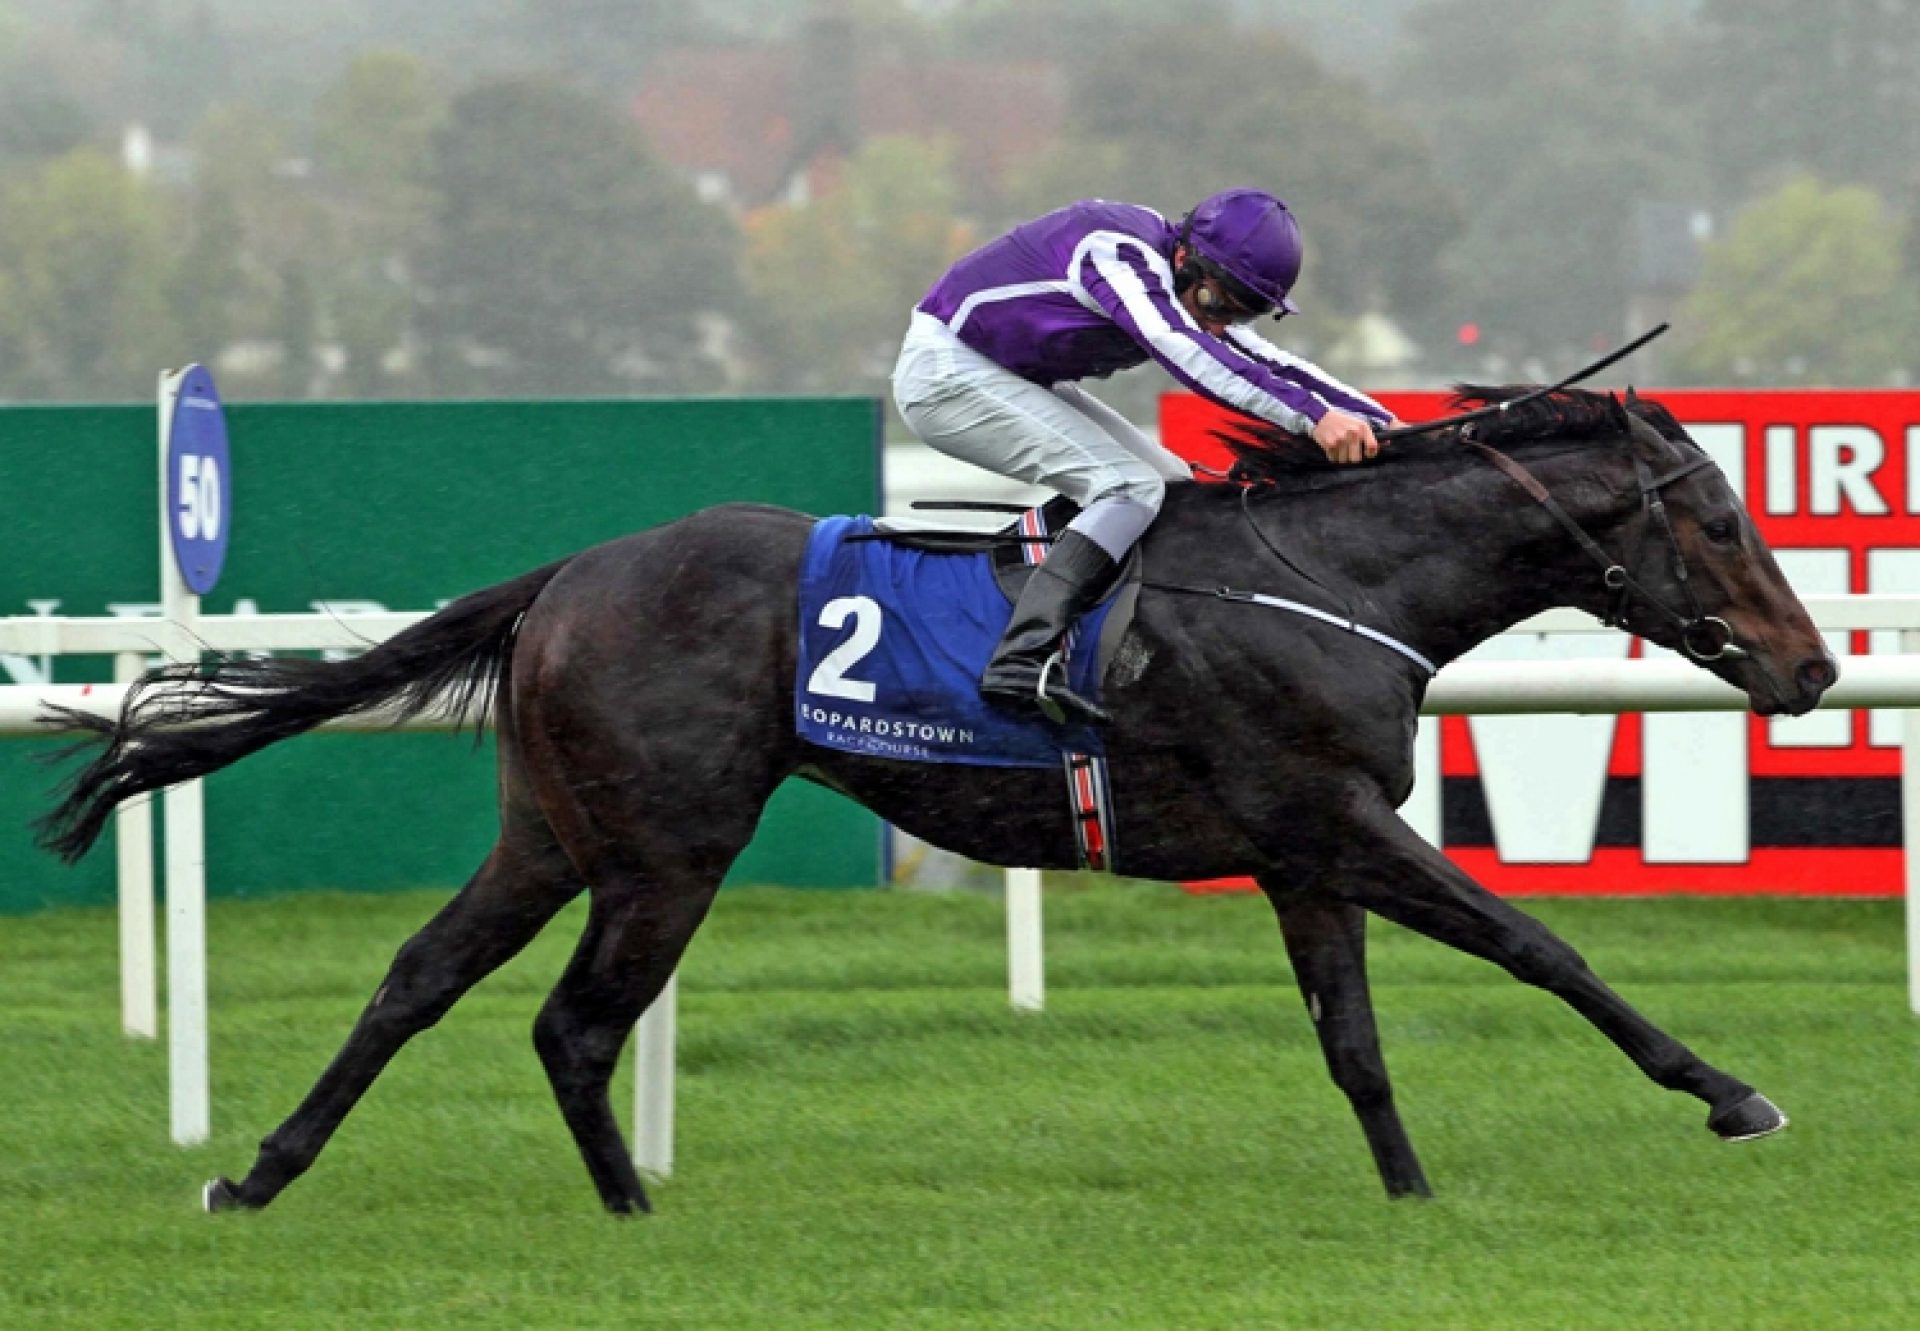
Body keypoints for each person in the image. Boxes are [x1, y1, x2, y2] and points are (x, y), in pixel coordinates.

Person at [891, 188, 1397, 726]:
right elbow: (1189, 354)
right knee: (1130, 488)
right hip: (946, 375)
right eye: (1217, 305)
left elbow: (1267, 359)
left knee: (1175, 489)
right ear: (1184, 260)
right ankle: (1022, 657)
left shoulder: (1188, 276)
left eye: (1244, 311)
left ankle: (1107, 644)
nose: (1221, 324)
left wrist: (1389, 425)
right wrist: (1313, 420)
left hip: (1004, 373)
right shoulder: (1116, 253)